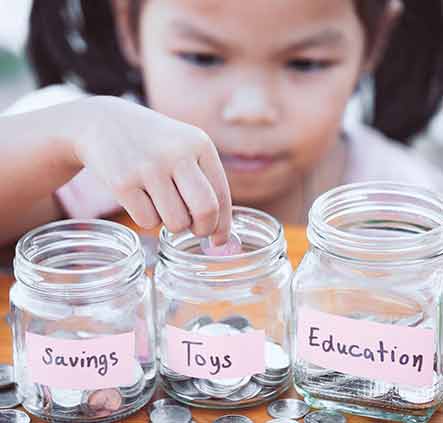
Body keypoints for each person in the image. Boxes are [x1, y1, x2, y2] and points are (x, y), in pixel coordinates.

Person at [1, 0, 443, 247]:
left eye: (307, 63)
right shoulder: (82, 151)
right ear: (128, 28)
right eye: (202, 57)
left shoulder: (401, 197)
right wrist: (72, 130)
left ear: (375, 42)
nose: (250, 110)